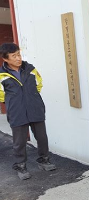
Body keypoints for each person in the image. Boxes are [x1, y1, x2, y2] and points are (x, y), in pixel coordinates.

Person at [0, 43, 56, 180]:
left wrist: (31, 98)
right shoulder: (2, 76)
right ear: (5, 59)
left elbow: (39, 84)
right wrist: (13, 103)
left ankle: (44, 160)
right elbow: (1, 95)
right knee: (19, 141)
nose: (18, 58)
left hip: (35, 108)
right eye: (14, 56)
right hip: (17, 112)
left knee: (42, 137)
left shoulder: (30, 69)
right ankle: (21, 165)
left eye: (19, 54)